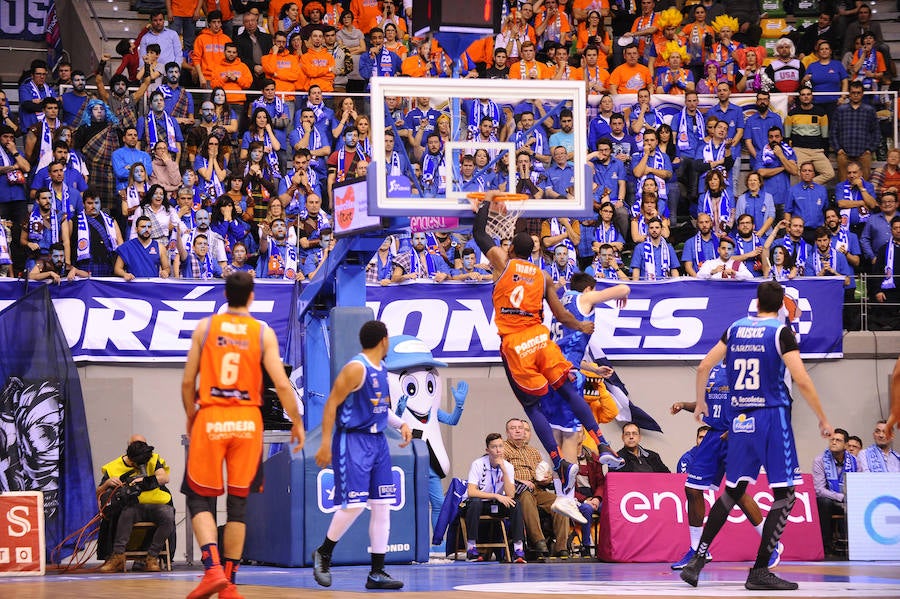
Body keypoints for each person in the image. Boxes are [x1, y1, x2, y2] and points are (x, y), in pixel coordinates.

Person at [470, 191, 621, 519]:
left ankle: (558, 462)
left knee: (532, 405)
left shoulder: (502, 263)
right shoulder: (544, 276)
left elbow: (479, 233)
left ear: (512, 249)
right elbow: (563, 318)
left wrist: (482, 204)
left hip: (516, 343)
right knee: (568, 389)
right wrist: (581, 326)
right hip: (541, 339)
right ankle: (603, 443)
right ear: (535, 250)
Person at [680, 281, 832, 591]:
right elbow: (801, 378)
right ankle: (761, 570)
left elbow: (703, 366)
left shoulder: (735, 328)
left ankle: (697, 559)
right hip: (771, 416)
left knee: (732, 491)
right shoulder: (779, 332)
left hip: (738, 419)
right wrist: (823, 418)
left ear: (756, 301)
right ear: (780, 306)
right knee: (785, 494)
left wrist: (701, 402)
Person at [182, 271, 305, 598]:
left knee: (198, 497)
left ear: (225, 294)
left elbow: (187, 381)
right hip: (249, 421)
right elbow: (281, 384)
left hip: (212, 416)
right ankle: (230, 583)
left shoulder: (205, 328)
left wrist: (190, 418)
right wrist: (298, 423)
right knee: (238, 506)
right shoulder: (262, 332)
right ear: (252, 297)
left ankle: (211, 571)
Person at [311, 320, 410, 590]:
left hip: (378, 442)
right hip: (353, 440)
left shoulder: (382, 369)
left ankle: (377, 572)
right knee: (354, 505)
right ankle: (324, 552)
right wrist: (324, 444)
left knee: (382, 506)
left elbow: (381, 409)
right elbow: (331, 403)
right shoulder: (356, 368)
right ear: (384, 341)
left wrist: (401, 424)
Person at [670, 366, 785, 570]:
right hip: (713, 435)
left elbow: (758, 407)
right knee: (692, 489)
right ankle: (698, 550)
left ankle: (772, 545)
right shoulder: (713, 371)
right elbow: (709, 405)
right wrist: (684, 405)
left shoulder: (747, 369)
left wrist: (737, 428)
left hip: (738, 434)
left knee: (737, 493)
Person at [96, 435, 175, 573]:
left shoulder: (153, 458)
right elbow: (98, 492)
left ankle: (151, 557)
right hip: (133, 505)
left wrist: (145, 482)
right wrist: (108, 483)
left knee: (168, 514)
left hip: (155, 503)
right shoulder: (113, 466)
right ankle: (118, 556)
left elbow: (164, 477)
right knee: (126, 514)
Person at [464, 432, 526, 563]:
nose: (498, 450)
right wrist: (496, 496)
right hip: (480, 504)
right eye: (494, 447)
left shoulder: (508, 466)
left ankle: (518, 550)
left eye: (501, 446)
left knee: (516, 504)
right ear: (487, 450)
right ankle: (471, 548)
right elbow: (471, 492)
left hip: (496, 504)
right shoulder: (478, 464)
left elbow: (510, 495)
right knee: (475, 502)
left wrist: (504, 470)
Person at [812, 428, 858, 555]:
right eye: (832, 439)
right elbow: (819, 489)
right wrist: (840, 497)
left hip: (850, 500)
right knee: (823, 501)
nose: (833, 442)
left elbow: (860, 483)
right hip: (831, 501)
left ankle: (855, 545)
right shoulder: (820, 460)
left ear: (845, 445)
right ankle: (826, 547)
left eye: (838, 440)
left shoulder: (854, 461)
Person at [114, 215, 171, 279]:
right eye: (143, 227)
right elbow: (117, 269)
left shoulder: (160, 247)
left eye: (149, 227)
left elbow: (167, 268)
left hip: (152, 286)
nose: (146, 230)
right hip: (133, 286)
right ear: (136, 229)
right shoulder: (126, 246)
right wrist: (124, 274)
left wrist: (165, 272)